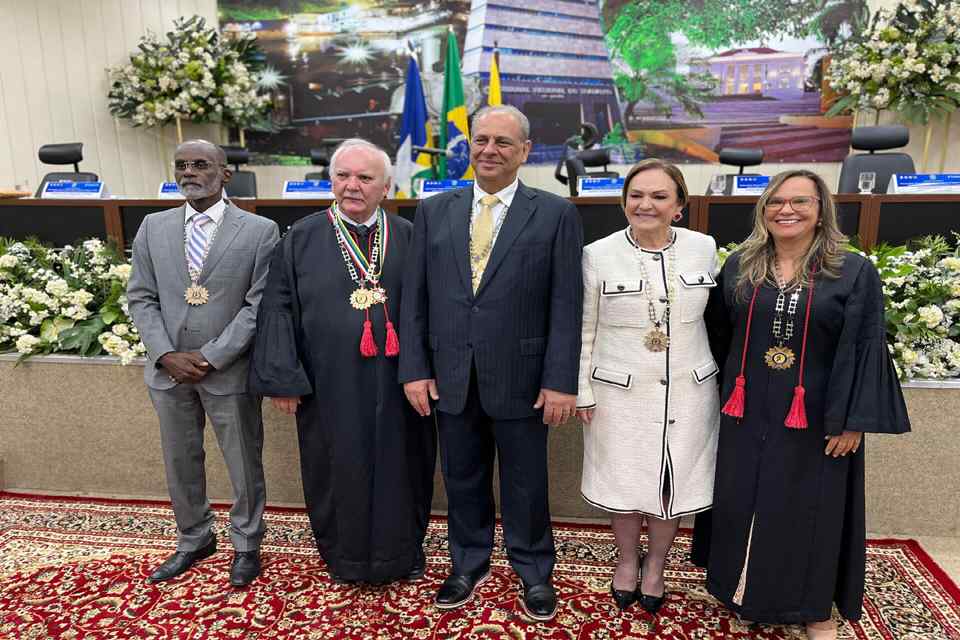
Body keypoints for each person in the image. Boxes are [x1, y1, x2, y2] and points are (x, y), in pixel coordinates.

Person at [700, 169, 910, 639]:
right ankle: (749, 593)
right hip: (745, 409)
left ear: (821, 212)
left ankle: (815, 608)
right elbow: (717, 333)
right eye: (776, 201)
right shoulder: (740, 265)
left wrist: (851, 421)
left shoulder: (851, 270)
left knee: (808, 509)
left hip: (816, 415)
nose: (786, 210)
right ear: (763, 209)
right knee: (744, 501)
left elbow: (865, 346)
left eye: (800, 202)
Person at [399, 105, 583, 621]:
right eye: (481, 140)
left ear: (525, 151)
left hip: (525, 380)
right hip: (450, 376)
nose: (489, 151)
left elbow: (567, 304)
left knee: (526, 481)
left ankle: (533, 570)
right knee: (461, 477)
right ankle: (467, 563)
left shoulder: (555, 214)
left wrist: (560, 380)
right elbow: (415, 300)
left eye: (503, 142)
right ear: (469, 146)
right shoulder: (435, 210)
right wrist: (414, 368)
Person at [248, 139, 436, 584]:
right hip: (328, 383)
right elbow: (277, 307)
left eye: (364, 178)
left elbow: (432, 310)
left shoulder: (410, 237)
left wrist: (427, 370)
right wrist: (282, 378)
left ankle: (402, 553)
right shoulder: (300, 238)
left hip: (399, 381)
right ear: (331, 181)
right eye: (343, 176)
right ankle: (344, 557)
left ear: (387, 186)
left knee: (403, 464)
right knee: (336, 465)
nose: (352, 186)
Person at [127, 139, 279, 587]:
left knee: (243, 461)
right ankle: (194, 538)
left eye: (200, 164)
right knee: (180, 459)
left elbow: (258, 305)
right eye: (182, 165)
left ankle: (247, 543)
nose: (189, 172)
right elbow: (141, 296)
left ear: (225, 174)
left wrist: (212, 357)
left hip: (227, 370)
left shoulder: (258, 230)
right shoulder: (153, 227)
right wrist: (165, 354)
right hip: (168, 370)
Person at [575, 159, 720, 614]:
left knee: (671, 485)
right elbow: (584, 329)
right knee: (625, 481)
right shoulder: (597, 254)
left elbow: (717, 321)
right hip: (619, 391)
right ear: (624, 202)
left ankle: (656, 563)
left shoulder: (703, 247)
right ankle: (625, 560)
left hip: (690, 390)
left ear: (679, 205)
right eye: (636, 195)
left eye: (659, 196)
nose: (646, 204)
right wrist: (582, 390)